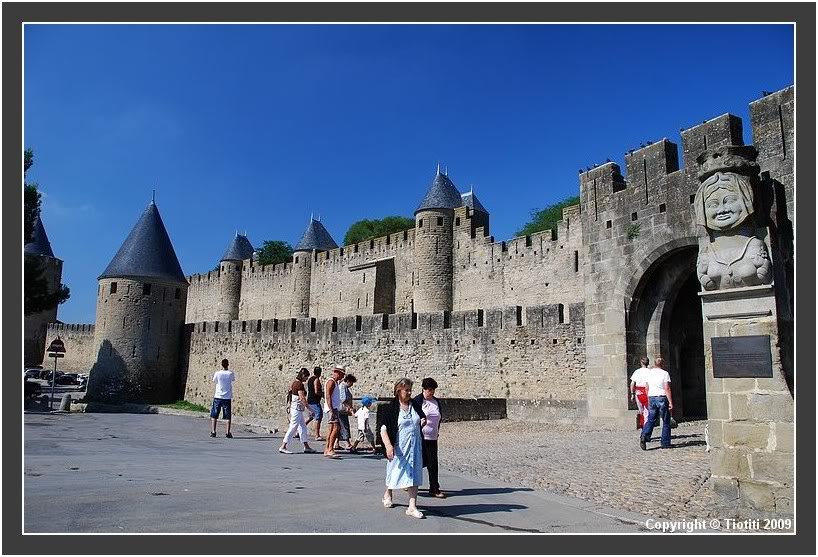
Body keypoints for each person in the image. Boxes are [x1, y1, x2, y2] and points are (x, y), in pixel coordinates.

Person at [380, 378, 427, 519]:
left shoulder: (415, 405)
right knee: (394, 471)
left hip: (415, 446)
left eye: (410, 390)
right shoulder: (391, 408)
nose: (409, 392)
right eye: (406, 390)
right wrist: (388, 446)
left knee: (414, 474)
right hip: (399, 446)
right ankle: (388, 493)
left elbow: (421, 419)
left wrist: (422, 422)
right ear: (398, 391)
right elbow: (383, 428)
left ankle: (412, 507)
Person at [413, 377, 445, 498]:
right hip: (420, 437)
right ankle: (409, 482)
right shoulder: (417, 401)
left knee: (433, 463)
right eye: (429, 390)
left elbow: (439, 417)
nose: (431, 392)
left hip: (432, 437)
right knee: (417, 461)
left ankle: (434, 487)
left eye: (433, 390)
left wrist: (437, 431)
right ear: (424, 389)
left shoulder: (436, 402)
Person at [279, 368, 316, 454]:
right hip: (297, 409)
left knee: (302, 427)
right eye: (306, 377)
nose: (306, 379)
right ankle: (283, 446)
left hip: (296, 408)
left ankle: (306, 446)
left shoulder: (294, 383)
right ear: (303, 376)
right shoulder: (299, 385)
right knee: (293, 427)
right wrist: (310, 409)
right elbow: (302, 398)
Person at [640, 357, 674, 450]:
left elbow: (646, 387)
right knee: (666, 421)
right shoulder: (665, 373)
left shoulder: (649, 373)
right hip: (662, 397)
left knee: (651, 419)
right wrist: (670, 402)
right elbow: (667, 388)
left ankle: (644, 435)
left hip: (652, 397)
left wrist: (649, 397)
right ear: (662, 364)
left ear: (654, 364)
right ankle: (665, 443)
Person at [323, 366, 345, 458]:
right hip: (332, 408)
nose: (343, 376)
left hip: (333, 408)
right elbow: (328, 396)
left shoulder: (334, 382)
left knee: (332, 429)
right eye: (342, 374)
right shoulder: (331, 382)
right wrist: (331, 409)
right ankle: (330, 449)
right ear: (337, 373)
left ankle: (327, 449)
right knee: (336, 428)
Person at [210, 358, 235, 438]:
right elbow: (233, 380)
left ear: (221, 365)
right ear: (228, 364)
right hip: (227, 397)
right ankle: (227, 432)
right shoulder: (230, 373)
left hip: (218, 396)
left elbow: (214, 381)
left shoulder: (217, 373)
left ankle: (213, 432)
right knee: (228, 416)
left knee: (214, 414)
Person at [336, 374, 357, 452]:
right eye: (351, 383)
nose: (352, 385)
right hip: (342, 410)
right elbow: (343, 399)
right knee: (344, 426)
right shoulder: (343, 387)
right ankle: (347, 443)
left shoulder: (343, 387)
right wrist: (350, 408)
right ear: (348, 381)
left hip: (342, 410)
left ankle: (336, 443)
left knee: (339, 426)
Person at [629, 357, 651, 430]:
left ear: (641, 363)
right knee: (647, 411)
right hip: (648, 392)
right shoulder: (650, 372)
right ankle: (645, 428)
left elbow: (632, 384)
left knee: (641, 411)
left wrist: (632, 394)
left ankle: (643, 426)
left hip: (638, 392)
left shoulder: (637, 371)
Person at [305, 366, 324, 441]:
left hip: (310, 400)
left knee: (311, 417)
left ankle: (298, 431)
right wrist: (323, 394)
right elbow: (316, 391)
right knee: (318, 416)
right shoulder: (316, 380)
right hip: (314, 401)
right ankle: (317, 435)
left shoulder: (310, 379)